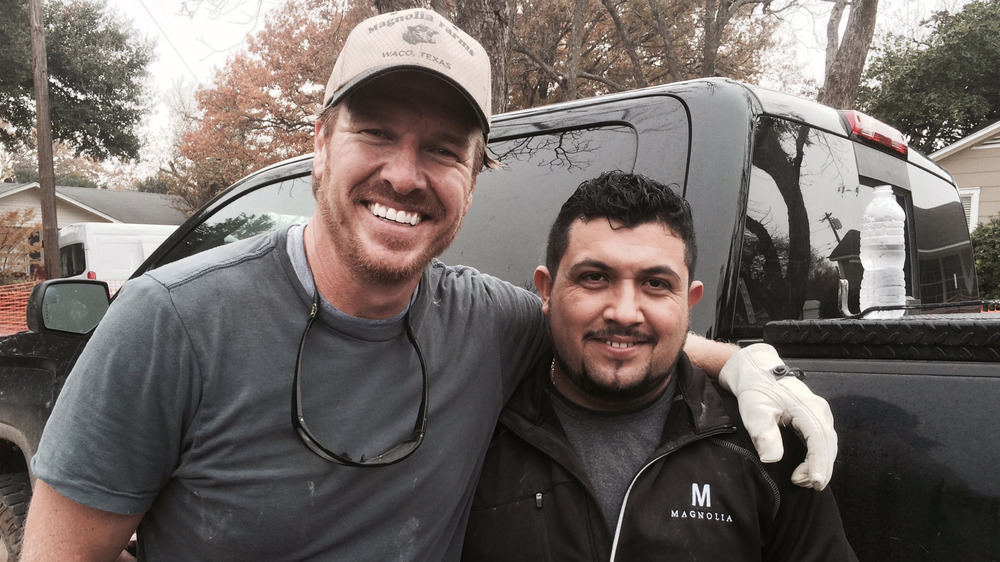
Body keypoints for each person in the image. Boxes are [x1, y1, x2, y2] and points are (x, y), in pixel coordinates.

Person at [22, 9, 835, 562]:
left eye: (445, 149)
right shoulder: (171, 321)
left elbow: (613, 324)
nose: (405, 175)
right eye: (375, 133)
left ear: (476, 174)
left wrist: (744, 364)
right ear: (321, 143)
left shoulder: (489, 322)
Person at [462, 171, 855, 561]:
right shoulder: (477, 429)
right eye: (595, 277)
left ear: (689, 301)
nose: (625, 313)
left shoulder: (763, 443)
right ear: (546, 290)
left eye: (655, 284)